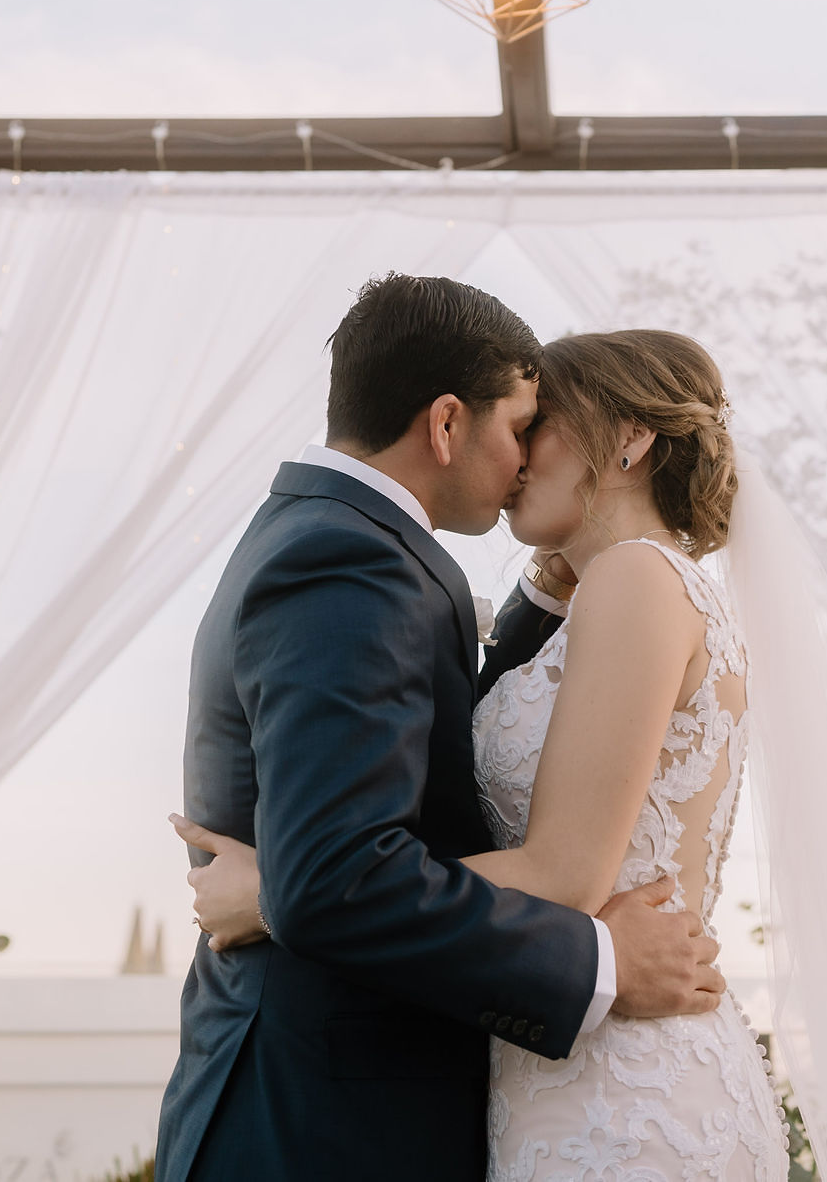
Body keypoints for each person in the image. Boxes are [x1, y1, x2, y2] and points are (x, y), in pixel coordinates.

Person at [178, 327, 792, 1179]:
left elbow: (567, 872)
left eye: (541, 424)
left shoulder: (633, 579)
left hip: (621, 1090)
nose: (517, 457)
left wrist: (282, 892)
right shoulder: (623, 591)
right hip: (567, 1064)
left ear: (630, 438)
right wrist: (542, 588)